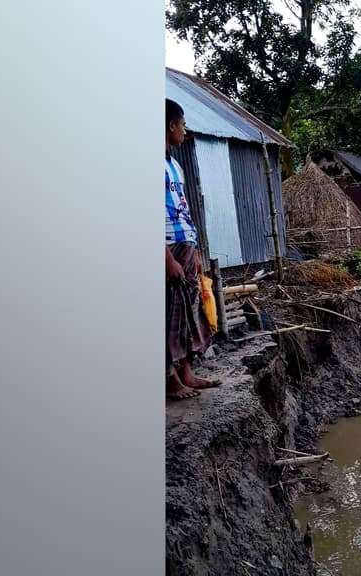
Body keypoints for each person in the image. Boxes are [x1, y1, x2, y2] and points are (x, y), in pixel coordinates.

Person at [165, 98, 220, 400]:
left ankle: (186, 372)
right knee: (168, 313)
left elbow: (183, 209)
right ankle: (169, 378)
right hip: (168, 248)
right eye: (183, 125)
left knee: (189, 311)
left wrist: (195, 250)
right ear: (171, 125)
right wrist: (166, 258)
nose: (185, 131)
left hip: (185, 245)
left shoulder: (175, 166)